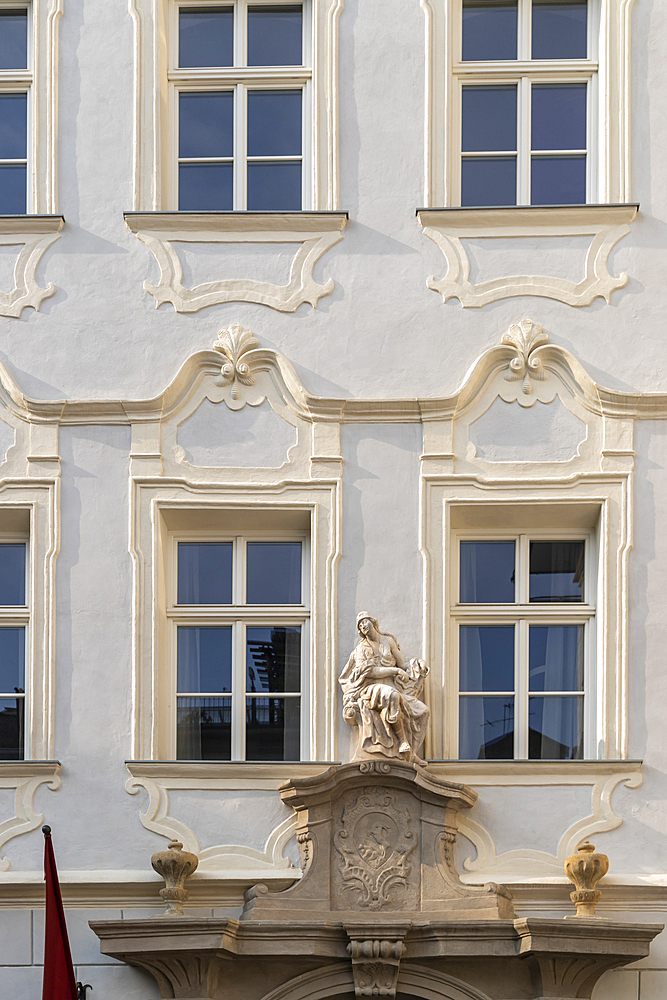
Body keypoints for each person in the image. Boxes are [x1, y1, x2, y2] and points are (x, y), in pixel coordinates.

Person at [339, 612, 429, 762]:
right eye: (360, 625)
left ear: (373, 622)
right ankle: (403, 742)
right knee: (391, 695)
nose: (363, 626)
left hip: (394, 686)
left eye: (365, 621)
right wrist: (395, 671)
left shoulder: (388, 641)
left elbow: (402, 664)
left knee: (423, 711)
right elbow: (372, 672)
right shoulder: (361, 650)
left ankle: (411, 755)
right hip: (371, 687)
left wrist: (418, 663)